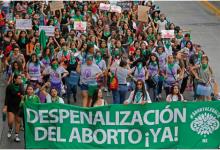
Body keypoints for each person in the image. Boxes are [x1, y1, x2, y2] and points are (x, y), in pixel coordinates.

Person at [3, 74, 24, 142]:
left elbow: (23, 95)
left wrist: (22, 97)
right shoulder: (9, 87)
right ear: (14, 79)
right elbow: (7, 97)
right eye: (18, 78)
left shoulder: (21, 86)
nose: (20, 79)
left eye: (20, 78)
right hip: (11, 106)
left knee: (18, 121)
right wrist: (5, 107)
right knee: (10, 121)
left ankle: (16, 135)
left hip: (19, 106)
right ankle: (10, 129)